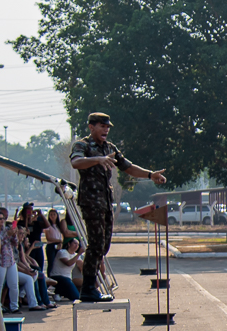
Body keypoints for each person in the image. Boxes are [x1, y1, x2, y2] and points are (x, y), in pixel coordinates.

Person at [68, 111, 166, 301]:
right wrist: (97, 159)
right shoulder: (83, 145)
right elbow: (75, 162)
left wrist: (150, 174)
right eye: (102, 126)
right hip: (90, 201)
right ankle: (88, 288)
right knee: (95, 244)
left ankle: (90, 286)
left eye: (107, 127)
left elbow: (128, 167)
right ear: (91, 127)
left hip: (105, 202)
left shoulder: (109, 148)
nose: (106, 130)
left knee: (103, 246)